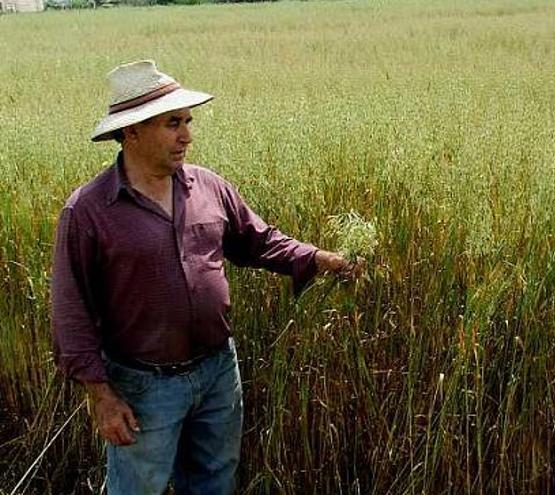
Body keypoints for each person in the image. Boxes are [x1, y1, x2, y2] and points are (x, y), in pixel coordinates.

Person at [51, 60, 363, 494]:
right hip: (143, 385)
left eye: (187, 121)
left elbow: (258, 241)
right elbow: (71, 311)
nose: (187, 136)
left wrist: (317, 258)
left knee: (215, 482)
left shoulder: (208, 186)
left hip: (218, 372)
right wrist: (101, 396)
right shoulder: (88, 211)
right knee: (137, 489)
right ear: (132, 131)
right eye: (172, 123)